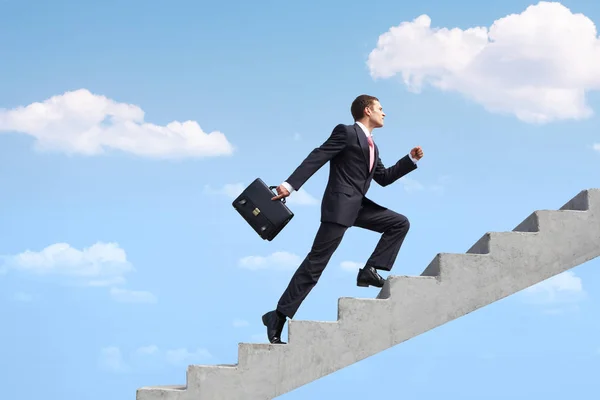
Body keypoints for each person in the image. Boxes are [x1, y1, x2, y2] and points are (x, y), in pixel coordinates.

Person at [261, 94, 424, 344]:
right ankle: (278, 316)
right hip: (339, 207)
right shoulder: (346, 132)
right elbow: (318, 156)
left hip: (358, 206)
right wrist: (289, 186)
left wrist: (410, 160)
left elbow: (383, 177)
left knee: (399, 223)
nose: (384, 112)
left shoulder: (372, 146)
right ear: (368, 110)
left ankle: (369, 270)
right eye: (381, 108)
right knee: (316, 264)